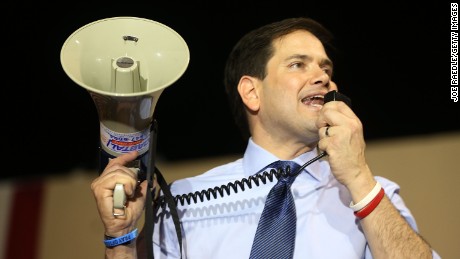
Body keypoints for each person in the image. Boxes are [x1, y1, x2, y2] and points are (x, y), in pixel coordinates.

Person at [91, 17, 440, 258]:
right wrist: (119, 238)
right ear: (251, 93)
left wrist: (360, 178)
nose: (322, 77)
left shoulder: (370, 194)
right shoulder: (181, 200)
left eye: (326, 68)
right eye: (298, 64)